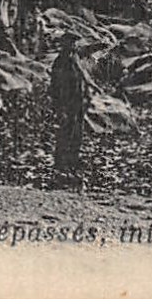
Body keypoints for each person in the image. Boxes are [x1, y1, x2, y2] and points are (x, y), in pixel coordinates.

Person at [49, 33, 92, 188]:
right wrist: (60, 108)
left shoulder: (74, 59)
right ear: (64, 44)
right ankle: (61, 168)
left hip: (78, 104)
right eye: (70, 43)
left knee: (76, 136)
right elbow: (56, 88)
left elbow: (81, 80)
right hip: (66, 105)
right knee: (65, 135)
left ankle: (72, 166)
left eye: (74, 43)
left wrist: (87, 96)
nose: (73, 46)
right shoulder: (61, 62)